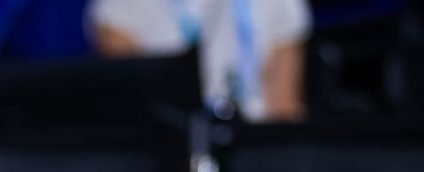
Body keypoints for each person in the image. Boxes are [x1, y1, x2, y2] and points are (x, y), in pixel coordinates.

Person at [87, 0, 310, 120]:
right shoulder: (118, 7)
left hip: (250, 146)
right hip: (167, 143)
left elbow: (284, 107)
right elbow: (130, 93)